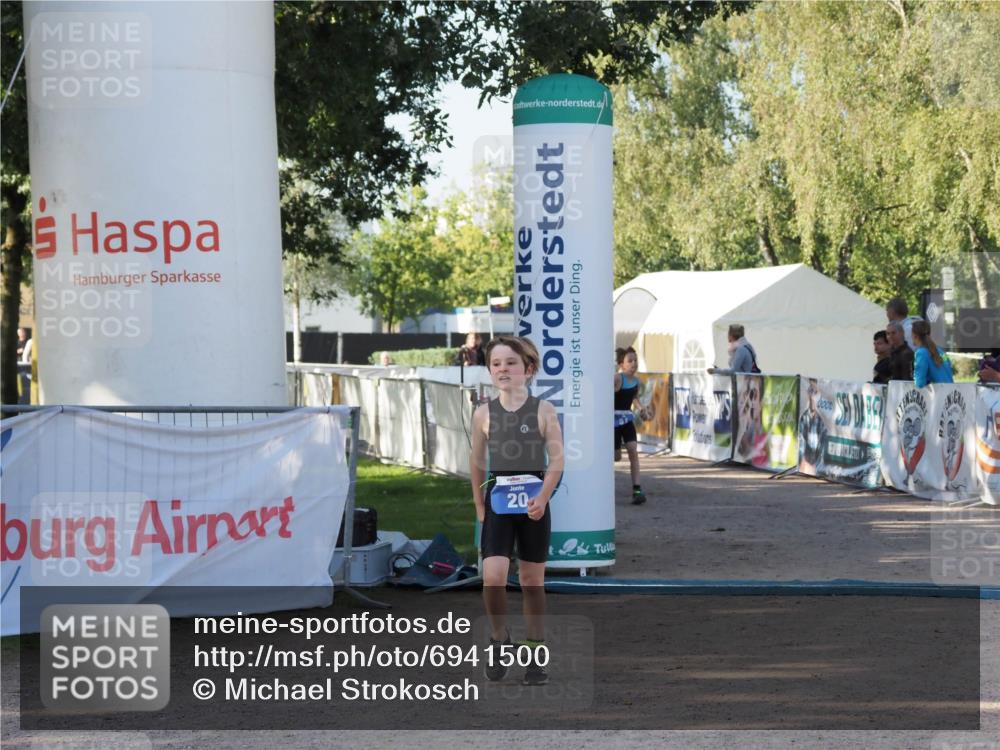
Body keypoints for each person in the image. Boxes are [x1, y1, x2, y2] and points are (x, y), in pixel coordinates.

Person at [470, 335, 563, 686]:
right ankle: (499, 638)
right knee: (492, 576)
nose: (503, 369)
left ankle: (536, 654)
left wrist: (544, 496)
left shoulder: (543, 410)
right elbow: (477, 463)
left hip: (533, 502)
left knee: (531, 581)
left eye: (510, 363)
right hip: (497, 501)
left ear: (528, 368)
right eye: (496, 364)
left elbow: (557, 459)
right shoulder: (483, 413)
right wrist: (479, 505)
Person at [614, 346, 647, 505]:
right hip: (612, 422)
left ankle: (637, 489)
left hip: (626, 419)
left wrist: (642, 410)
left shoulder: (636, 381)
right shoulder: (616, 379)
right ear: (622, 364)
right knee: (616, 457)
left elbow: (633, 398)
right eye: (630, 361)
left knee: (633, 450)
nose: (634, 364)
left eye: (635, 360)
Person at [797, 378, 828, 474]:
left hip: (816, 469)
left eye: (815, 392)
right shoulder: (804, 417)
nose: (812, 395)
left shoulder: (823, 420)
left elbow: (822, 452)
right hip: (804, 467)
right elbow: (801, 447)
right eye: (810, 391)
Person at [911, 319, 953, 387]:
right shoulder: (941, 352)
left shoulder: (921, 353)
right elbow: (948, 370)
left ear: (915, 336)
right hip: (950, 393)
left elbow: (919, 383)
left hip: (938, 395)